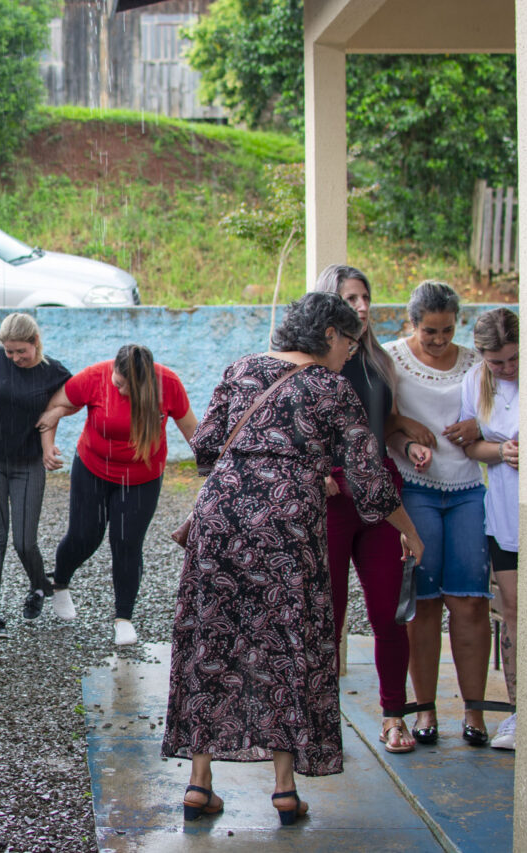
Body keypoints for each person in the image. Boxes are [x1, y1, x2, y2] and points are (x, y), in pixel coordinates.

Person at [161, 292, 422, 826]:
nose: (351, 354)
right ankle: (284, 791)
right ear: (329, 335)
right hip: (285, 523)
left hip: (220, 518)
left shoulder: (242, 368)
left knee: (212, 638)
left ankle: (198, 783)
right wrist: (410, 533)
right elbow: (371, 483)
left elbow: (206, 447)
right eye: (349, 343)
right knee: (286, 641)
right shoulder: (332, 387)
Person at [312, 264, 428, 754]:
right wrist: (317, 472)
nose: (361, 307)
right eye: (351, 299)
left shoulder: (379, 359)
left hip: (380, 493)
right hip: (333, 499)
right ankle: (315, 724)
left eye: (366, 297)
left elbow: (384, 424)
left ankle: (393, 716)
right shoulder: (315, 360)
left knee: (388, 612)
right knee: (326, 616)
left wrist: (407, 438)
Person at [383, 281, 491, 747]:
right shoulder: (392, 359)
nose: (440, 340)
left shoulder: (475, 363)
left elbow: (503, 409)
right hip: (418, 490)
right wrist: (406, 440)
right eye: (430, 331)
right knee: (422, 604)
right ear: (412, 323)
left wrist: (479, 425)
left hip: (468, 488)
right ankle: (424, 709)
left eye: (448, 330)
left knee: (470, 601)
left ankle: (476, 711)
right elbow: (378, 420)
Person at [36, 344, 197, 646]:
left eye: (124, 385)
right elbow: (57, 404)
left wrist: (216, 471)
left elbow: (191, 429)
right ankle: (60, 583)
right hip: (92, 468)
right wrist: (50, 439)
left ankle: (123, 618)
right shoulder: (96, 376)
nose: (117, 386)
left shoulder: (168, 385)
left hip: (141, 477)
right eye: (116, 380)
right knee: (84, 536)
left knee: (127, 543)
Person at [0, 313, 72, 639]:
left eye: (20, 352)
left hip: (28, 464)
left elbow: (68, 403)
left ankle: (40, 585)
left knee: (24, 541)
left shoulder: (54, 373)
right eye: (9, 351)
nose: (13, 358)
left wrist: (50, 439)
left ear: (35, 343)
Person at [460, 308, 520, 749]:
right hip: (504, 515)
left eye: (512, 359)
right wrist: (501, 450)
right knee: (515, 613)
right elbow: (470, 445)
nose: (505, 369)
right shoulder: (476, 382)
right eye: (496, 362)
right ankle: (520, 710)